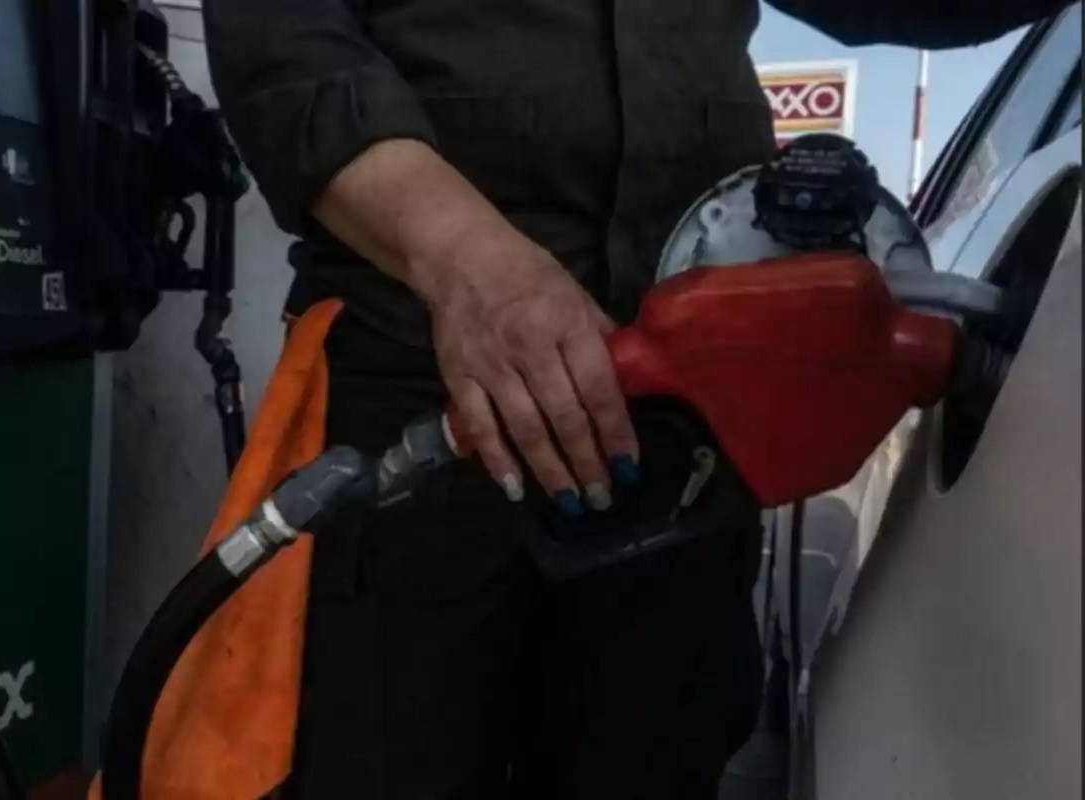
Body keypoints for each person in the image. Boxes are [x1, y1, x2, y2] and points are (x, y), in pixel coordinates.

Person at [201, 2, 1072, 797]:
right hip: (421, 376)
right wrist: (465, 265)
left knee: (654, 760)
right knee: (383, 766)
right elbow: (286, 44)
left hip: (687, 414)